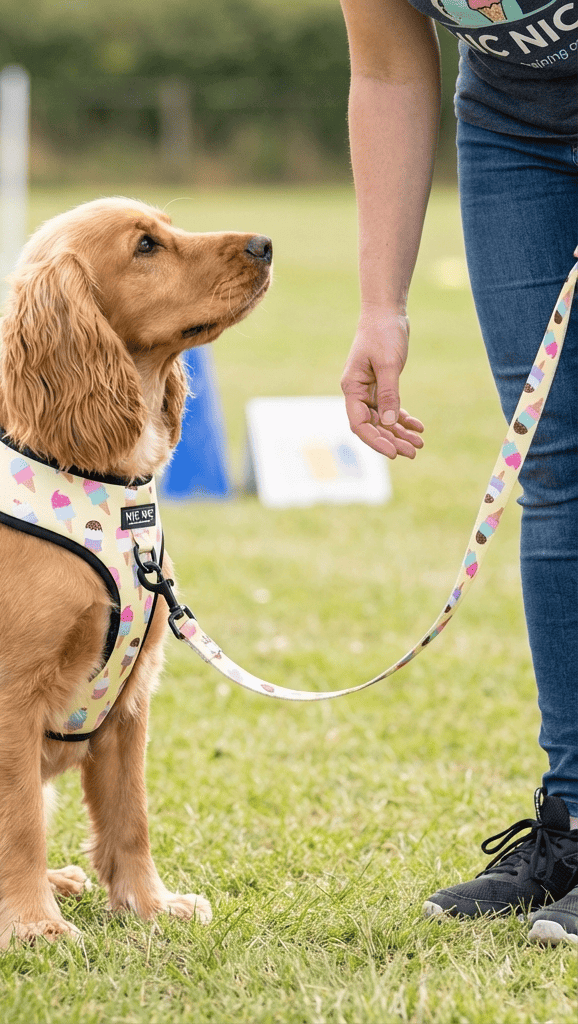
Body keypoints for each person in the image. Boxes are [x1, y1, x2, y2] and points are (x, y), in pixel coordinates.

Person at [337, 0, 577, 945]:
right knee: (556, 464)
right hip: (515, 125)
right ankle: (571, 821)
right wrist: (380, 306)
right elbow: (390, 70)